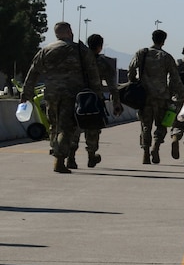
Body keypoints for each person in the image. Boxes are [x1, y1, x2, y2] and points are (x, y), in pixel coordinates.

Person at [19, 22, 96, 173]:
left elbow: (33, 73)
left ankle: (55, 149)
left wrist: (26, 94)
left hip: (51, 94)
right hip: (72, 94)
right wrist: (97, 96)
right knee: (67, 128)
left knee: (54, 125)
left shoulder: (46, 50)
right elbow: (93, 74)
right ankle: (59, 161)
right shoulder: (80, 50)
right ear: (69, 32)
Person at [128, 28, 182, 165]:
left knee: (146, 125)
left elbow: (131, 70)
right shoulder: (167, 57)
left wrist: (134, 81)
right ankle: (155, 147)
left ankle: (145, 152)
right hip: (162, 97)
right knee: (162, 125)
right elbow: (175, 78)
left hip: (144, 97)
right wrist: (179, 94)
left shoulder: (142, 53)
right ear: (163, 41)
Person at [77, 34, 116, 168]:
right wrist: (116, 102)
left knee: (73, 128)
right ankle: (91, 155)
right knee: (92, 129)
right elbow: (112, 85)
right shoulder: (102, 63)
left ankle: (70, 157)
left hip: (75, 98)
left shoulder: (78, 59)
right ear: (100, 47)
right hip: (93, 100)